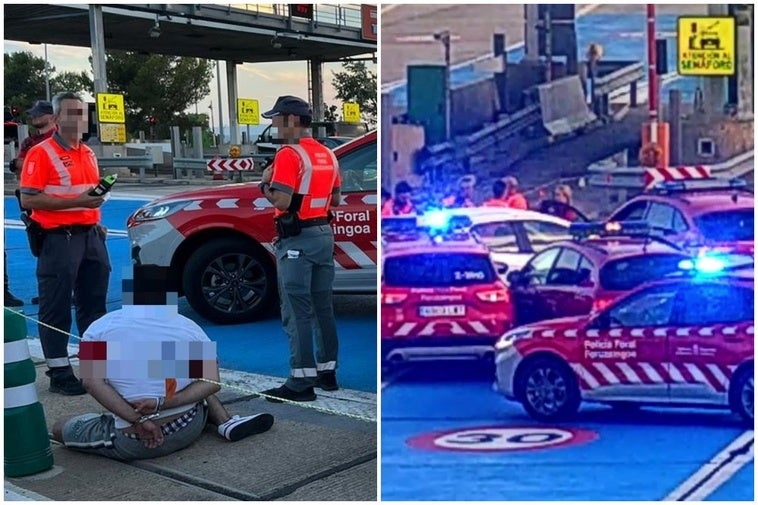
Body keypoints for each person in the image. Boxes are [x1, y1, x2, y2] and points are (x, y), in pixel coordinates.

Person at [51, 266, 274, 461]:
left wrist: (138, 420)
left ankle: (126, 417)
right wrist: (163, 402)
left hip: (135, 438)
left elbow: (91, 383)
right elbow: (212, 383)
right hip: (188, 426)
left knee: (60, 428)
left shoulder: (98, 329)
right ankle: (224, 421)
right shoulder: (188, 326)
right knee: (182, 370)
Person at [19, 91, 111, 396]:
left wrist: (94, 218)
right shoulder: (41, 153)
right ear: (56, 119)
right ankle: (59, 373)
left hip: (90, 236)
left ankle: (94, 370)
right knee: (56, 307)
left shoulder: (89, 153)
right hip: (59, 239)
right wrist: (79, 201)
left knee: (94, 304)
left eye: (82, 113)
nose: (80, 119)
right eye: (72, 113)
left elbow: (89, 195)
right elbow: (29, 197)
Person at [256, 96, 341, 403]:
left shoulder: (289, 155)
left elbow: (281, 201)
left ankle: (300, 382)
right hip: (323, 234)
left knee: (296, 311)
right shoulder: (327, 155)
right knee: (322, 306)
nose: (274, 125)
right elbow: (336, 200)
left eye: (276, 119)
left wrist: (263, 185)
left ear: (291, 120)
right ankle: (327, 372)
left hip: (296, 240)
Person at [8, 100, 58, 307]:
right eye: (33, 114)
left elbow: (23, 164)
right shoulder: (31, 141)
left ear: (51, 115)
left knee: (62, 246)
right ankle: (49, 291)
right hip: (33, 198)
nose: (34, 117)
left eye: (39, 114)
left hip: (54, 199)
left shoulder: (59, 138)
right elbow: (19, 165)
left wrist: (28, 164)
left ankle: (63, 290)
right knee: (40, 245)